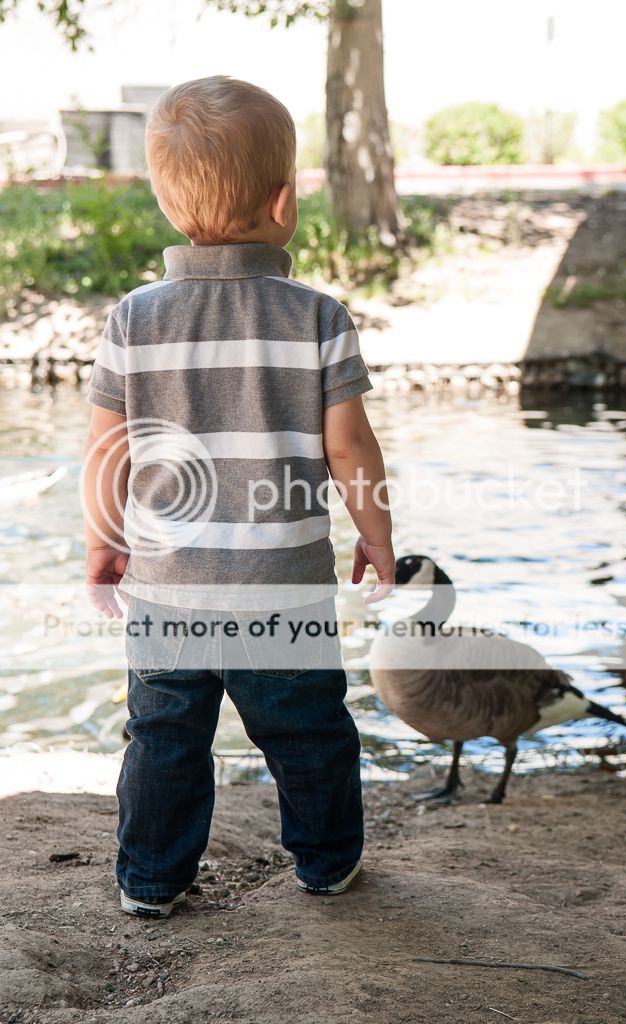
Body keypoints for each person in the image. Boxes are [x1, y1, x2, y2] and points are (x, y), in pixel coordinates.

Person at [81, 76, 395, 918]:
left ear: (165, 201)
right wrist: (376, 536)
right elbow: (349, 447)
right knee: (308, 729)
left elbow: (108, 451)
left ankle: (151, 881)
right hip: (282, 587)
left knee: (164, 734)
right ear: (283, 201)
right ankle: (327, 864)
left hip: (168, 588)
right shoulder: (318, 317)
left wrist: (103, 543)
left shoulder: (133, 320)